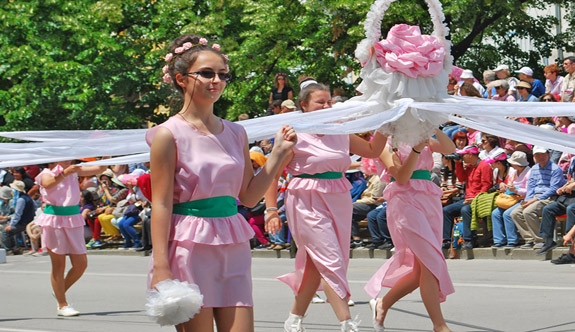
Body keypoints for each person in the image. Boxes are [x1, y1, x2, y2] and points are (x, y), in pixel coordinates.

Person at [148, 34, 298, 331]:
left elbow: (249, 196)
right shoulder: (168, 134)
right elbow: (161, 203)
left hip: (232, 240)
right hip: (188, 244)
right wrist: (161, 267)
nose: (216, 80)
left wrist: (279, 154)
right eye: (206, 73)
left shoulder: (236, 133)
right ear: (181, 79)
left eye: (222, 74)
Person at [260, 82, 387, 332]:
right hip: (306, 198)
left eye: (329, 101)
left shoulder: (339, 131)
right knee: (330, 260)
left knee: (314, 265)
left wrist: (386, 123)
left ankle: (294, 318)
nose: (327, 106)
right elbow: (272, 174)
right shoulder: (293, 135)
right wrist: (271, 210)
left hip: (338, 196)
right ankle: (347, 323)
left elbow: (372, 150)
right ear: (304, 106)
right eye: (320, 102)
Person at [365, 130, 456, 332]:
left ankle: (383, 303)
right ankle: (439, 325)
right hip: (404, 199)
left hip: (428, 196)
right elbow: (402, 176)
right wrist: (416, 149)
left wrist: (435, 127)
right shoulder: (384, 143)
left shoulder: (421, 135)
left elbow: (450, 148)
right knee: (430, 260)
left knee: (419, 271)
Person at [33, 160, 106, 316]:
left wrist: (106, 153)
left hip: (73, 218)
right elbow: (48, 184)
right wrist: (65, 173)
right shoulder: (46, 173)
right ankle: (62, 304)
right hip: (54, 219)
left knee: (81, 264)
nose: (69, 159)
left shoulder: (74, 170)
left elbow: (100, 168)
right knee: (59, 265)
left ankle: (60, 291)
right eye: (64, 156)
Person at [510, 147, 565, 249]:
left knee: (528, 212)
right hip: (535, 197)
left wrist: (534, 200)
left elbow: (553, 188)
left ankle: (541, 239)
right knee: (515, 213)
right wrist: (528, 199)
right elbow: (531, 187)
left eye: (542, 154)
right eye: (537, 155)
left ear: (548, 154)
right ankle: (529, 238)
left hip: (549, 198)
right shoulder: (534, 168)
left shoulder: (555, 169)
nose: (540, 157)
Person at [441, 146, 493, 249]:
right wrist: (457, 163)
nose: (461, 157)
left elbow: (487, 185)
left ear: (470, 155)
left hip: (479, 199)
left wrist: (475, 199)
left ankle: (468, 240)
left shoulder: (484, 166)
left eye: (463, 155)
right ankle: (446, 240)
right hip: (467, 198)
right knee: (446, 210)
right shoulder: (470, 167)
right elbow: (461, 178)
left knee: (465, 210)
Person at [491, 151, 531, 248]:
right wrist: (504, 186)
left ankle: (512, 240)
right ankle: (499, 240)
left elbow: (529, 190)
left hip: (523, 199)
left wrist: (516, 190)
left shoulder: (529, 172)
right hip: (511, 198)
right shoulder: (514, 172)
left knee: (507, 214)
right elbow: (510, 184)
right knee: (495, 213)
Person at [2, 180, 35, 254]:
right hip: (29, 220)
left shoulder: (21, 200)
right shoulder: (28, 197)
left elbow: (17, 214)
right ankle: (14, 247)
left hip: (23, 223)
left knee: (5, 232)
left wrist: (11, 225)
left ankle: (8, 250)